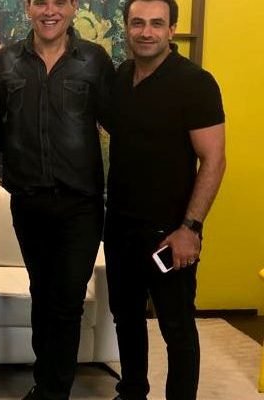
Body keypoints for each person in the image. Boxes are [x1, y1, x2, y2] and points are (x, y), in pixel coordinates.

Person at [0, 0, 115, 398]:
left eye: (59, 2)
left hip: (81, 203)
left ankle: (53, 391)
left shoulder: (94, 61)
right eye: (40, 2)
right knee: (42, 295)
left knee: (68, 299)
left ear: (73, 7)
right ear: (28, 7)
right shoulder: (5, 62)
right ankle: (46, 383)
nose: (50, 10)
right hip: (29, 202)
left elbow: (120, 123)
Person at [104, 1, 226, 399]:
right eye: (137, 23)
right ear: (126, 27)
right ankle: (132, 391)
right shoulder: (120, 78)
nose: (146, 32)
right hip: (120, 226)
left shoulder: (195, 83)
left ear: (172, 29)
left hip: (170, 233)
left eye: (156, 24)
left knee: (176, 327)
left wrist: (191, 228)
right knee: (126, 318)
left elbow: (214, 159)